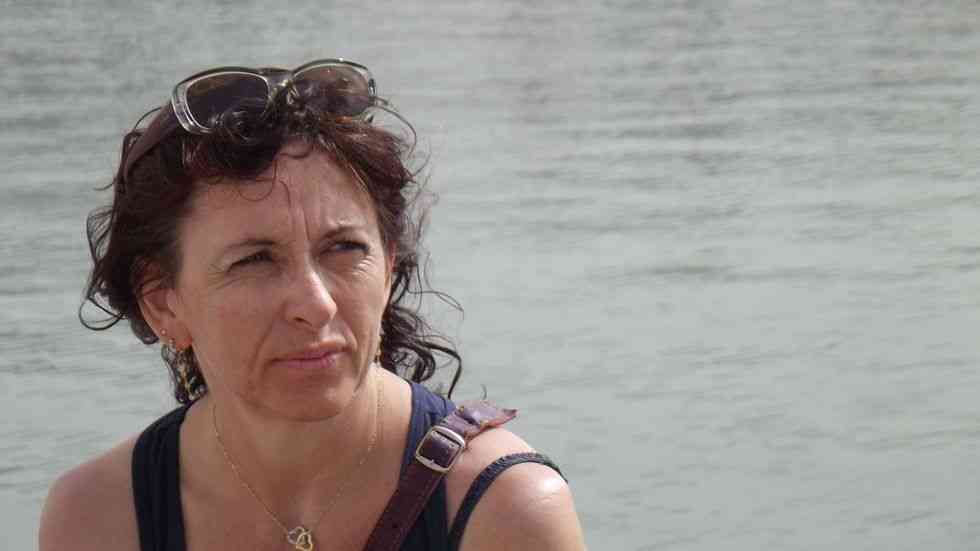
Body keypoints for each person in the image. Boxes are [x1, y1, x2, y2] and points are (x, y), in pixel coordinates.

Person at [38, 59, 586, 551]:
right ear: (163, 303)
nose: (316, 305)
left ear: (389, 265)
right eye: (255, 260)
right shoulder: (101, 519)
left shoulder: (506, 510)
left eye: (344, 249)